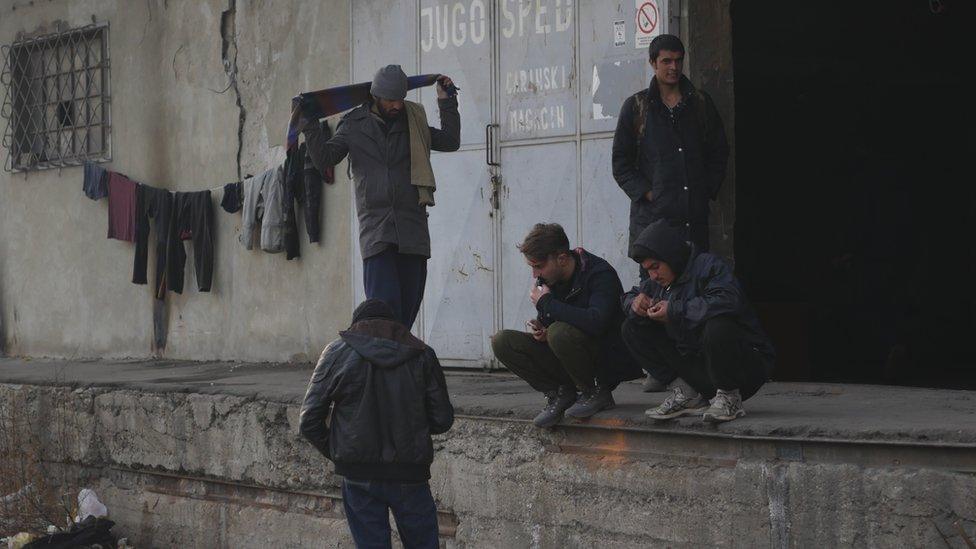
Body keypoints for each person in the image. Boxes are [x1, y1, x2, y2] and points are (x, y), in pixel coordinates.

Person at [611, 34, 730, 391]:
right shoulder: (638, 108)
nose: (673, 67)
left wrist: (705, 190)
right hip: (654, 224)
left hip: (692, 218)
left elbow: (718, 152)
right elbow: (621, 164)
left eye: (678, 60)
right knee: (655, 292)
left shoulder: (699, 104)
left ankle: (694, 369)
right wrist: (649, 194)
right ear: (653, 63)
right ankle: (660, 368)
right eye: (666, 61)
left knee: (695, 292)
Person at [303, 65, 461, 328]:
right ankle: (383, 366)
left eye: (400, 99)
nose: (396, 105)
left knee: (407, 314)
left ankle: (402, 367)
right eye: (390, 100)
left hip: (412, 231)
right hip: (377, 233)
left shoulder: (414, 122)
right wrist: (308, 123)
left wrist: (447, 102)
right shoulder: (354, 124)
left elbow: (450, 141)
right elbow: (325, 159)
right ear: (376, 97)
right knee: (383, 315)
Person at [299, 299, 454, 548]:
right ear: (395, 326)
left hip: (358, 472)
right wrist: (412, 426)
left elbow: (309, 421)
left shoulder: (336, 353)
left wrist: (342, 451)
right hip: (410, 472)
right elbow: (442, 419)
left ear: (356, 327)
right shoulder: (422, 354)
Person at [620, 220, 775, 423]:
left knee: (717, 324)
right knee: (632, 326)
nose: (653, 275)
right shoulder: (659, 282)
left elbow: (728, 301)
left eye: (656, 267)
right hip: (702, 369)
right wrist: (635, 302)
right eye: (648, 270)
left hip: (744, 368)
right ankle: (688, 393)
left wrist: (675, 310)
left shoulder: (709, 267)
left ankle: (729, 398)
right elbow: (628, 297)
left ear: (671, 256)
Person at [491, 223, 641, 428]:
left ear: (561, 258)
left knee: (559, 333)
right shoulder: (548, 280)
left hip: (605, 360)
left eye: (539, 266)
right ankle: (560, 393)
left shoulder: (599, 274)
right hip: (568, 356)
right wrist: (541, 327)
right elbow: (553, 321)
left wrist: (548, 304)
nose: (535, 274)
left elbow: (596, 322)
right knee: (503, 341)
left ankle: (596, 392)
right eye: (532, 267)